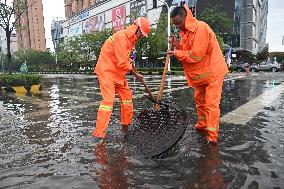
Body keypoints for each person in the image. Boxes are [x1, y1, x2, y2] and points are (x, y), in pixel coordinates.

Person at [168, 5, 228, 144]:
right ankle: (202, 126)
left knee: (211, 104)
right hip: (201, 74)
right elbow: (185, 49)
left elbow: (196, 55)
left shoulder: (201, 28)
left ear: (186, 17)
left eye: (178, 23)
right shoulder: (186, 33)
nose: (177, 27)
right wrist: (176, 44)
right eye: (175, 24)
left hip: (213, 71)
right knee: (199, 101)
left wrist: (176, 53)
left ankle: (212, 137)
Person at [92, 17, 151, 140]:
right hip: (107, 72)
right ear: (138, 29)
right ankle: (99, 133)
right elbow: (122, 62)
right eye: (142, 34)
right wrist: (136, 75)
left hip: (118, 74)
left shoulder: (131, 41)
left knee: (127, 98)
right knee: (108, 102)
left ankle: (126, 126)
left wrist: (136, 71)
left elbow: (129, 60)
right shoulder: (121, 37)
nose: (142, 37)